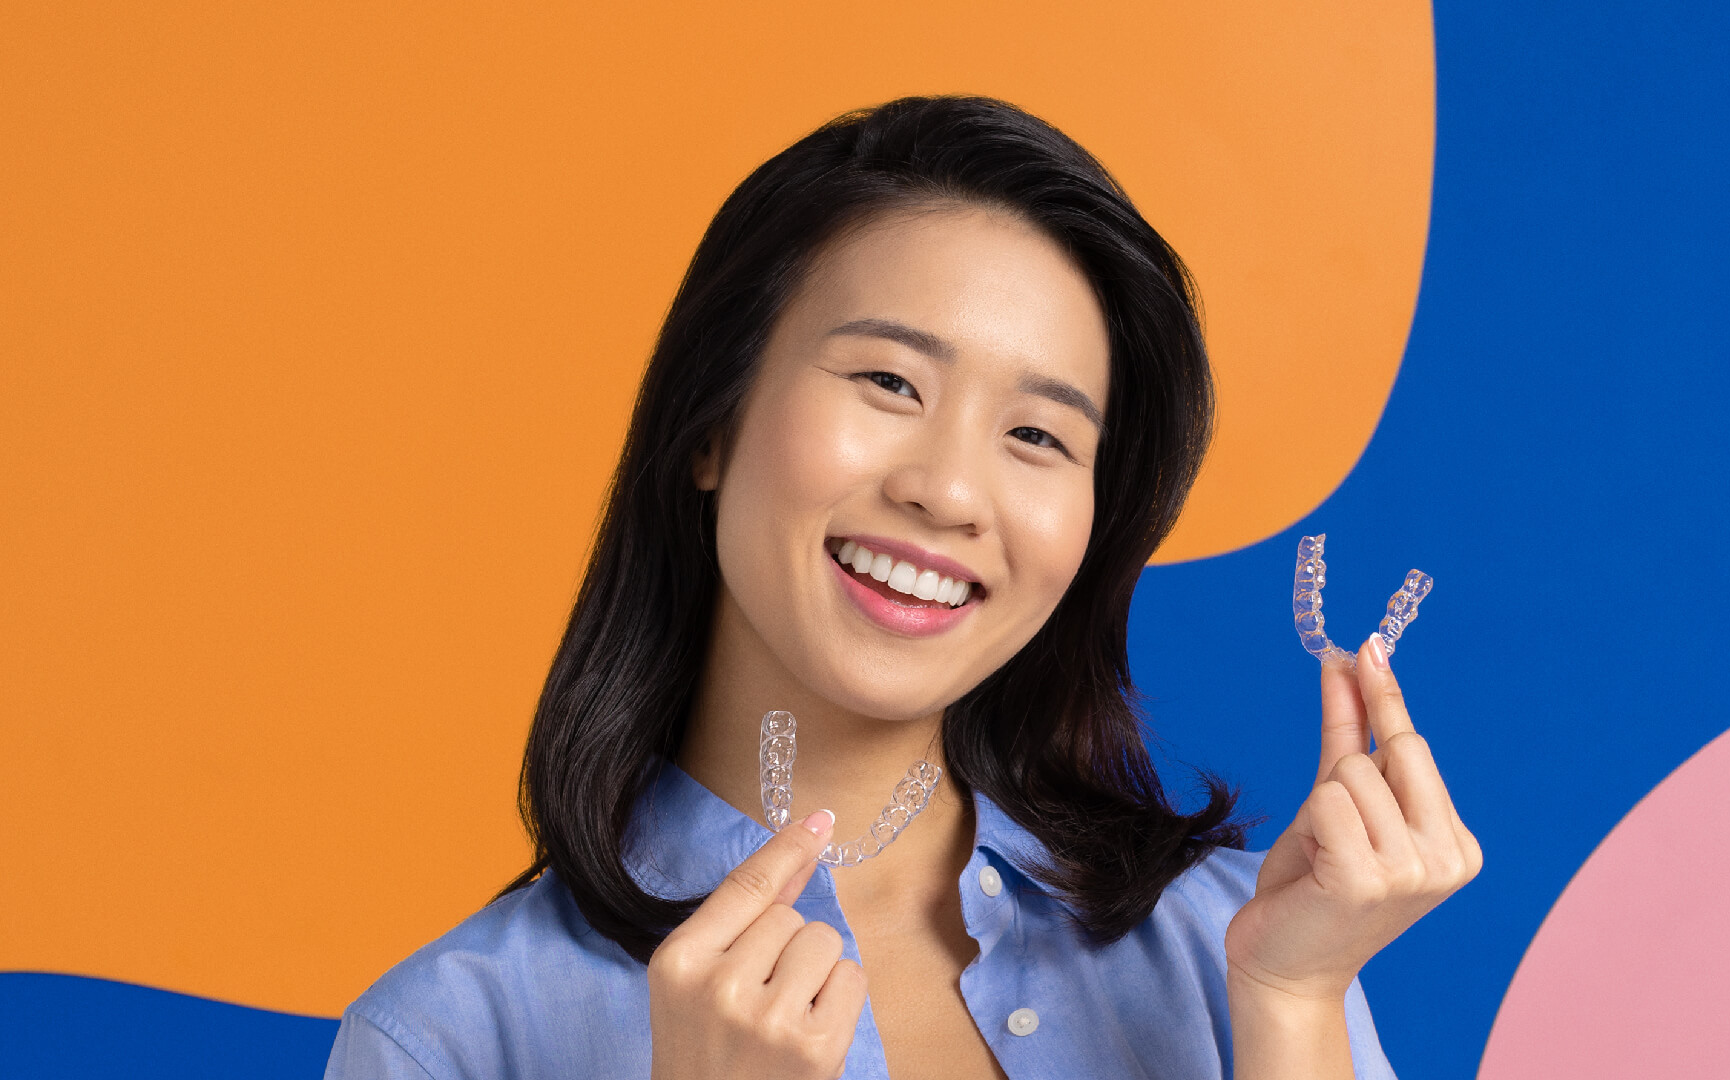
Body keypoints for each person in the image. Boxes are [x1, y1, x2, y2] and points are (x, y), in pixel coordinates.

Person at [323, 95, 1480, 1080]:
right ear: (710, 423)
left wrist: (1290, 999)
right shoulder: (456, 1038)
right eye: (888, 379)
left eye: (1037, 436)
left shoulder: (1235, 945)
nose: (950, 491)